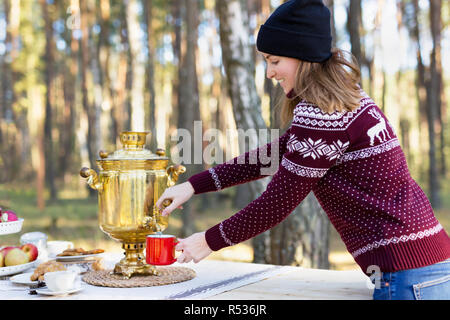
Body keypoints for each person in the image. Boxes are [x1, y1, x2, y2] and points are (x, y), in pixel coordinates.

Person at [156, 0, 450, 300]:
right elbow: (273, 156)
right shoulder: (345, 100)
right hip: (426, 264)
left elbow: (277, 203)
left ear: (302, 56)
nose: (270, 73)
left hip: (407, 275)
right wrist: (193, 185)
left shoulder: (323, 115)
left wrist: (207, 242)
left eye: (274, 61)